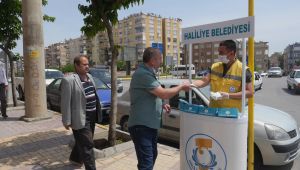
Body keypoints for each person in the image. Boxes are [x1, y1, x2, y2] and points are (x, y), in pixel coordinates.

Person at [128, 47, 190, 170]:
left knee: (150, 157)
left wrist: (161, 104)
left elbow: (151, 94)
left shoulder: (148, 72)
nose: (161, 61)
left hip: (149, 125)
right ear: (152, 60)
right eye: (160, 58)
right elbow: (164, 93)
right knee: (147, 162)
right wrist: (181, 86)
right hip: (141, 126)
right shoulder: (143, 74)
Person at [61, 55, 101, 170]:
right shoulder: (69, 80)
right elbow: (65, 102)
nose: (87, 66)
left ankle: (75, 158)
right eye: (84, 64)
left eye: (88, 64)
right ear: (76, 66)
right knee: (88, 145)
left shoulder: (90, 77)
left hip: (92, 115)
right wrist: (66, 121)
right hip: (80, 117)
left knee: (84, 141)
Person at [193, 40, 254, 111]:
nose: (219, 55)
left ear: (231, 53)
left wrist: (228, 95)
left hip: (231, 114)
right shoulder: (214, 66)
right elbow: (204, 81)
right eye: (218, 52)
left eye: (221, 53)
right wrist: (191, 84)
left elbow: (250, 92)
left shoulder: (243, 70)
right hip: (214, 111)